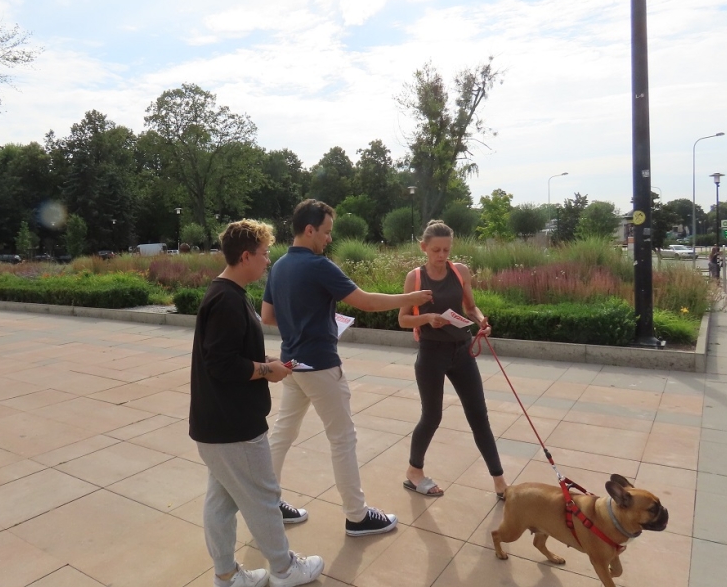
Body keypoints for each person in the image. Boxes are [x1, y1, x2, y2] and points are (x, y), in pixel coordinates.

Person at [261, 199, 433, 537]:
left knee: (282, 434)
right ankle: (357, 516)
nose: (329, 239)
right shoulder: (318, 265)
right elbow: (365, 301)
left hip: (291, 363)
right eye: (326, 232)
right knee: (342, 439)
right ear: (309, 230)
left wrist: (303, 323)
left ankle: (267, 504)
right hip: (320, 365)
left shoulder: (279, 266)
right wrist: (410, 299)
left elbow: (268, 316)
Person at [189, 220, 324, 587]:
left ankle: (227, 575)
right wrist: (266, 370)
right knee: (264, 497)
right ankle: (284, 569)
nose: (268, 261)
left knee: (221, 502)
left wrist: (266, 363)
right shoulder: (227, 300)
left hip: (216, 423)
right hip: (234, 426)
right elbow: (221, 364)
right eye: (264, 254)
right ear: (246, 256)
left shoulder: (226, 294)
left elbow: (227, 354)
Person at [397, 219, 508, 499]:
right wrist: (427, 318)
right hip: (431, 354)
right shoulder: (415, 277)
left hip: (463, 351)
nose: (442, 255)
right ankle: (414, 471)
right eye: (436, 250)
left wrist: (481, 320)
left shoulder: (460, 271)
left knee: (479, 416)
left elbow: (471, 307)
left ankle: (500, 481)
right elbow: (403, 319)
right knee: (432, 416)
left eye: (447, 249)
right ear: (423, 247)